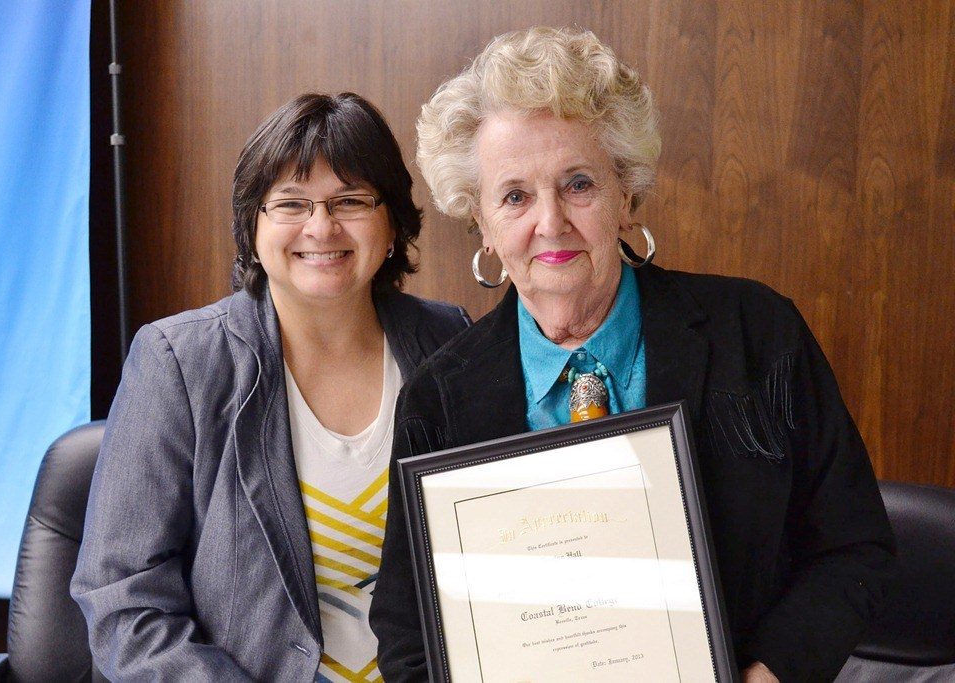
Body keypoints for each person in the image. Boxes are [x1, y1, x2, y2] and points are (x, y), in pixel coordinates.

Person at [370, 28, 894, 683]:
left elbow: (853, 548)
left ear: (626, 194)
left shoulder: (756, 334)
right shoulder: (437, 397)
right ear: (480, 219)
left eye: (578, 183)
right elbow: (408, 636)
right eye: (515, 196)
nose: (551, 221)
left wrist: (768, 675)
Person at [71, 92, 470, 681]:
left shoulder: (448, 342)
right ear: (252, 225)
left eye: (351, 201)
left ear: (393, 223)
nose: (321, 226)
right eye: (291, 203)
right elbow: (122, 599)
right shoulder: (180, 362)